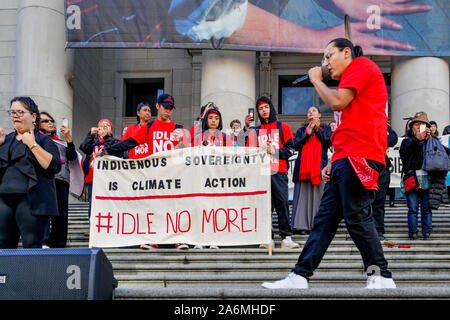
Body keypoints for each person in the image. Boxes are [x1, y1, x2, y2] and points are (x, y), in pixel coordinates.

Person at [262, 38, 396, 289]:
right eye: (323, 59)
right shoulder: (351, 80)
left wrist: (316, 79)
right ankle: (300, 275)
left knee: (357, 217)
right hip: (346, 158)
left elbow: (337, 102)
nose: (325, 63)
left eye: (328, 56)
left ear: (347, 53)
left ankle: (381, 274)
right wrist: (334, 160)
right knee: (324, 220)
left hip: (361, 156)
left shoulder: (361, 66)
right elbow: (348, 128)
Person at [101, 93, 189, 250]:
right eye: (165, 107)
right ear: (158, 106)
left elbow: (190, 152)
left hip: (173, 175)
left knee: (175, 206)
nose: (168, 111)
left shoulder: (178, 128)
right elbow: (129, 143)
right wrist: (108, 150)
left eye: (170, 108)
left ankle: (179, 239)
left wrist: (183, 141)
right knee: (153, 206)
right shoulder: (149, 127)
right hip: (153, 175)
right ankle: (152, 239)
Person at [0, 97, 61, 248]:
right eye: (12, 112)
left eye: (20, 112)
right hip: (4, 198)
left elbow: (54, 166)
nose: (15, 116)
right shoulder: (5, 139)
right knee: (2, 245)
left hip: (32, 199)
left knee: (31, 243)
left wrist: (32, 144)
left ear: (33, 116)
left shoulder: (43, 140)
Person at [246, 96, 299, 249]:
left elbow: (290, 150)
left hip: (279, 171)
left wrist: (274, 152)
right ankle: (266, 236)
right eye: (261, 108)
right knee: (264, 206)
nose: (263, 110)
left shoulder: (284, 128)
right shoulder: (254, 132)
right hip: (261, 173)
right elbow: (249, 154)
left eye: (266, 107)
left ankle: (286, 237)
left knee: (282, 204)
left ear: (271, 108)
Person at [291, 106, 332, 235]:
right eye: (308, 111)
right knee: (302, 197)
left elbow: (327, 142)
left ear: (319, 115)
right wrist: (307, 134)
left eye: (314, 111)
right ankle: (301, 225)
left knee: (319, 197)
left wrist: (317, 130)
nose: (311, 113)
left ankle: (318, 225)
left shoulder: (326, 129)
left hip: (319, 168)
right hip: (303, 168)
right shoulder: (301, 130)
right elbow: (296, 145)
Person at [39, 112, 78, 248]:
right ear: (38, 124)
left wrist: (68, 137)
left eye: (51, 120)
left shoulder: (61, 141)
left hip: (62, 180)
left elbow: (72, 157)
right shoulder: (36, 139)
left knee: (61, 213)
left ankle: (59, 244)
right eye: (45, 121)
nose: (50, 123)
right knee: (45, 210)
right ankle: (44, 241)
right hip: (45, 179)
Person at [400, 112, 434, 240]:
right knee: (413, 208)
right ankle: (413, 232)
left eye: (422, 125)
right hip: (411, 178)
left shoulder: (431, 142)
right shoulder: (407, 142)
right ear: (412, 127)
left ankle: (427, 231)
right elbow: (404, 153)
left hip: (427, 179)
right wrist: (417, 139)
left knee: (426, 208)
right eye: (416, 124)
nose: (419, 127)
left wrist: (430, 140)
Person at [80, 118, 121, 222]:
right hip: (92, 178)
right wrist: (91, 134)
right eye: (101, 126)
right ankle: (92, 227)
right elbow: (83, 147)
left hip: (108, 178)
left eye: (107, 126)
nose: (104, 128)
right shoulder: (93, 143)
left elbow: (119, 150)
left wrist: (106, 136)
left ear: (111, 130)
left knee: (108, 203)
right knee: (92, 203)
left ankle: (108, 227)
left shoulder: (115, 141)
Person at [372, 125, 398, 241]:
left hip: (382, 168)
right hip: (366, 168)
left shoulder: (383, 125)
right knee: (366, 202)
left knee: (379, 201)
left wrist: (379, 136)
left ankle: (378, 229)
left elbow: (393, 139)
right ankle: (367, 230)